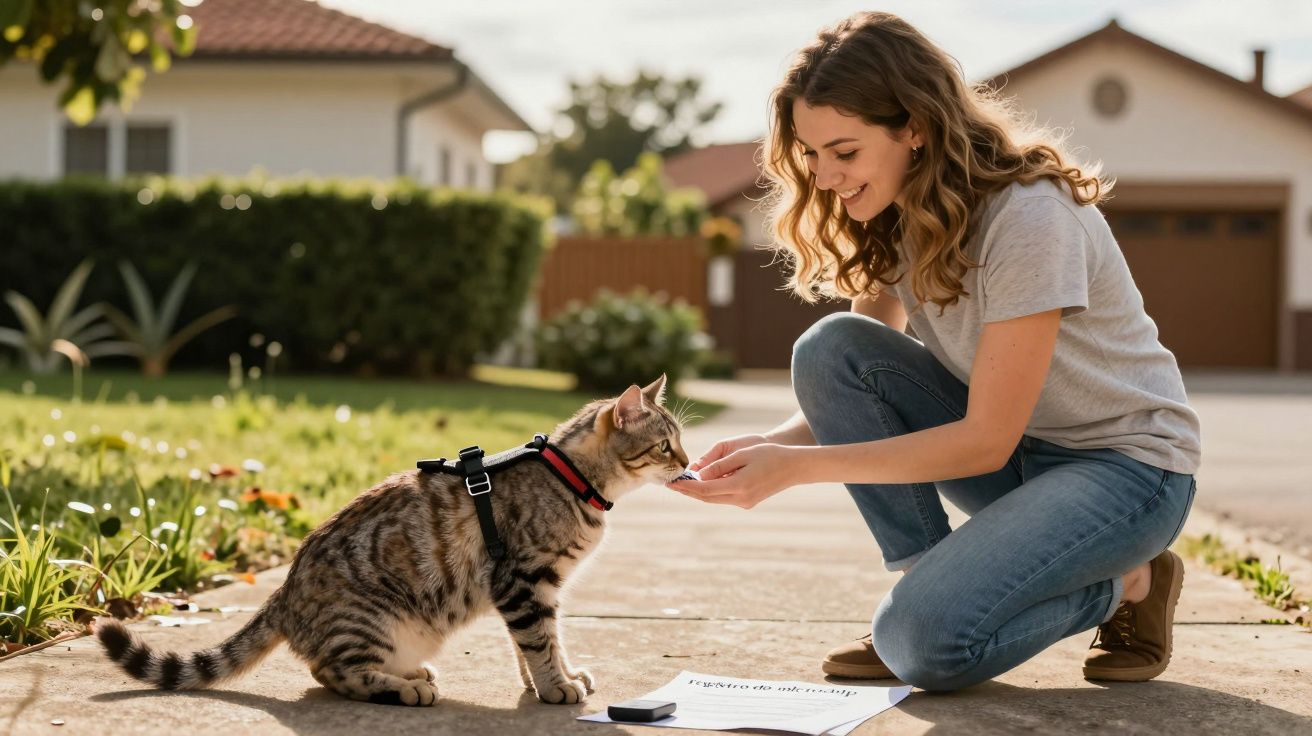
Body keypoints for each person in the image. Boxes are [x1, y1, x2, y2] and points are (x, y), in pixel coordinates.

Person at [665, 11, 1200, 692]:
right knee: (831, 347)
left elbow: (985, 441)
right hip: (1024, 459)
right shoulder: (903, 213)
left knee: (922, 646)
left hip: (1127, 473)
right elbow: (855, 380)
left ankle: (1131, 583)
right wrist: (767, 448)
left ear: (914, 127)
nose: (824, 176)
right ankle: (924, 584)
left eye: (844, 152)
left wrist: (795, 470)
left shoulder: (1030, 218)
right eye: (812, 154)